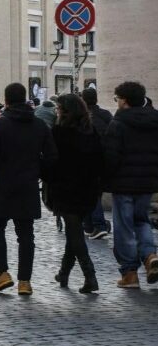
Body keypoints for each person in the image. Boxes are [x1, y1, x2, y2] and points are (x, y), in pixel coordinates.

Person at [0, 83, 58, 296]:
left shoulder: (0, 125)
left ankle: (2, 273)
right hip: (28, 185)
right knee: (26, 234)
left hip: (4, 184)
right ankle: (25, 281)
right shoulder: (39, 125)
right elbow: (52, 157)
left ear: (6, 101)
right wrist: (37, 172)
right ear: (25, 98)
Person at [45, 94, 103, 294]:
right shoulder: (90, 131)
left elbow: (51, 161)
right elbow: (99, 160)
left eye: (59, 108)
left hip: (65, 188)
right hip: (87, 189)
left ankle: (90, 276)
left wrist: (47, 178)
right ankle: (64, 272)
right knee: (74, 230)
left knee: (75, 232)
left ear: (65, 111)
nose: (57, 111)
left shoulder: (59, 132)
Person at [103, 81, 158, 288]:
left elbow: (111, 156)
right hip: (148, 181)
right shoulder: (155, 119)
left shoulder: (119, 123)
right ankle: (149, 255)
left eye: (117, 99)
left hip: (123, 182)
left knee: (124, 226)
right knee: (141, 220)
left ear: (124, 101)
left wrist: (106, 179)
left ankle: (130, 273)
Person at [81, 88, 113, 239]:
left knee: (90, 193)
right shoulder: (106, 115)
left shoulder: (81, 117)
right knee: (95, 193)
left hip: (88, 160)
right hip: (104, 159)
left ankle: (97, 224)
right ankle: (89, 225)